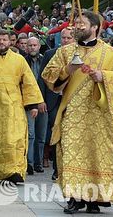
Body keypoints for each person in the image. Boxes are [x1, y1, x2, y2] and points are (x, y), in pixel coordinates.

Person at [42, 11, 113, 214]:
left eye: (82, 24)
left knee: (97, 154)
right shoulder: (65, 52)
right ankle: (75, 198)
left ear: (95, 28)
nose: (77, 27)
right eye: (76, 24)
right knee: (71, 152)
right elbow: (49, 77)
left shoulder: (112, 54)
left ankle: (95, 199)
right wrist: (68, 70)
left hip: (99, 115)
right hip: (72, 113)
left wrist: (104, 76)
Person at [0, 29, 43, 184]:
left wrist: (33, 105)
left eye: (4, 40)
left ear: (10, 41)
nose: (2, 42)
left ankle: (14, 171)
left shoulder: (19, 60)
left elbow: (29, 82)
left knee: (14, 139)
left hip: (13, 105)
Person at [39, 27, 74, 181]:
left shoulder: (80, 56)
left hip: (72, 101)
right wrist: (41, 100)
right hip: (53, 100)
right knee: (55, 134)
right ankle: (57, 169)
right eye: (63, 38)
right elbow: (42, 78)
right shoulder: (50, 54)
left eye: (69, 38)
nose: (65, 41)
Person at [25, 36, 48, 175]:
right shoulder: (22, 60)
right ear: (27, 47)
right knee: (31, 134)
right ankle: (30, 164)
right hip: (29, 103)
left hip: (44, 102)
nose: (32, 47)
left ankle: (39, 163)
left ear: (39, 46)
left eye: (35, 45)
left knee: (41, 135)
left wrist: (42, 101)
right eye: (30, 45)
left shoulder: (45, 60)